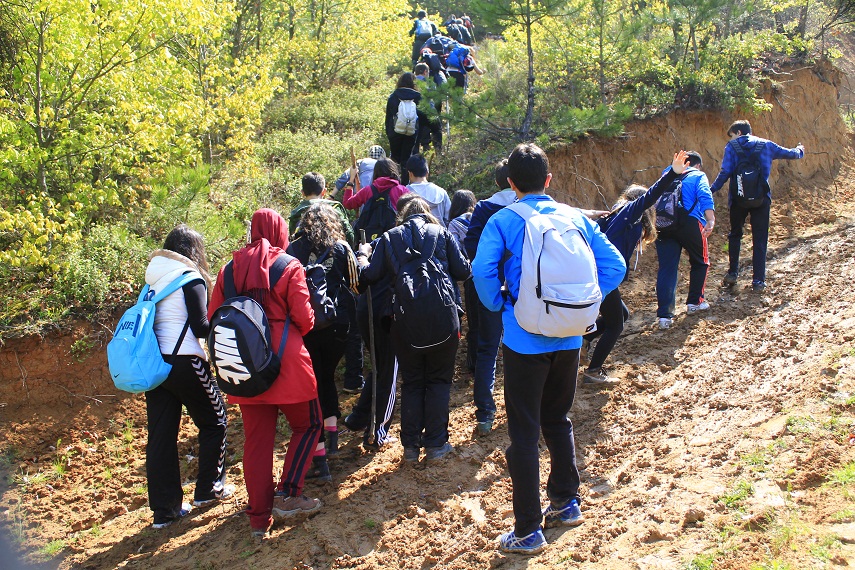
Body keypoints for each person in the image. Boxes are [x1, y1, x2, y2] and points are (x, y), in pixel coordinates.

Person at [472, 143, 625, 555]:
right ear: (549, 180)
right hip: (571, 334)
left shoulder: (504, 220)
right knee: (557, 419)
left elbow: (481, 270)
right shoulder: (575, 217)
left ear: (510, 183)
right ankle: (566, 503)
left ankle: (527, 529)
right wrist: (586, 302)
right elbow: (615, 266)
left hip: (524, 337)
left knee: (523, 431)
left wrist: (500, 305)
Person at [208, 208, 322, 540]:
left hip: (244, 363)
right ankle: (289, 494)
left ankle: (258, 520)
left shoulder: (227, 270)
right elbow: (305, 319)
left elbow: (214, 315)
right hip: (286, 363)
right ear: (280, 232)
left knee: (257, 443)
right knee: (309, 424)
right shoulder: (288, 266)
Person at [356, 196, 470, 462]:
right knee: (440, 381)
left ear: (403, 216)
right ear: (428, 214)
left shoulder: (388, 237)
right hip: (444, 320)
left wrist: (362, 255)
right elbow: (463, 271)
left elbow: (368, 277)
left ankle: (409, 448)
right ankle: (436, 445)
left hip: (405, 322)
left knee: (413, 382)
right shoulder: (441, 233)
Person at [144, 224, 231, 529]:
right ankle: (208, 489)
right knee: (216, 419)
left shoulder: (152, 282)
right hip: (184, 360)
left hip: (157, 366)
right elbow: (200, 328)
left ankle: (164, 512)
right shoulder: (189, 278)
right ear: (194, 252)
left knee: (161, 438)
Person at [582, 151, 691, 383]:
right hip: (603, 276)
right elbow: (652, 195)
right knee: (616, 324)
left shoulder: (615, 215)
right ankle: (593, 371)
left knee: (623, 313)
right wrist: (673, 173)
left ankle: (585, 339)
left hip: (596, 274)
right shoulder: (629, 214)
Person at [288, 203, 360, 481]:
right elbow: (355, 284)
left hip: (306, 327)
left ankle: (319, 461)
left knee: (312, 389)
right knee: (327, 379)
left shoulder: (293, 250)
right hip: (338, 325)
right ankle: (331, 441)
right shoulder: (342, 247)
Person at [343, 192, 421, 450]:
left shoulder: (382, 242)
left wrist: (362, 255)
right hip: (385, 315)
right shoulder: (404, 243)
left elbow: (362, 278)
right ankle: (378, 431)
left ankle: (358, 417)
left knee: (378, 367)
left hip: (365, 310)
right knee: (389, 371)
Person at [709, 119, 805, 292]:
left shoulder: (731, 147)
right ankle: (758, 281)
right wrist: (800, 150)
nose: (731, 140)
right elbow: (790, 154)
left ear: (738, 132)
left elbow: (725, 173)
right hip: (761, 199)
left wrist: (711, 190)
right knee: (760, 239)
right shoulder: (766, 145)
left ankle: (733, 273)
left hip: (738, 199)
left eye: (731, 136)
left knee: (735, 234)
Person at [463, 159, 515, 435]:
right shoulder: (527, 207)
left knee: (487, 348)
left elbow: (471, 246)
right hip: (524, 286)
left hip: (488, 284)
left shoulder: (484, 207)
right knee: (523, 346)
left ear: (498, 181)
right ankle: (522, 407)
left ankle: (485, 414)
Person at [655, 151, 716, 330]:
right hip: (689, 222)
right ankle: (694, 303)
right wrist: (710, 219)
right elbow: (705, 194)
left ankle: (664, 317)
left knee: (667, 268)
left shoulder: (666, 173)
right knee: (700, 261)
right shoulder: (698, 175)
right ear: (696, 165)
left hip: (663, 224)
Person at [446, 190, 478, 372]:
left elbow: (455, 252)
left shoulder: (454, 224)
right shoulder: (482, 217)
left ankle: (473, 364)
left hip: (471, 277)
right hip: (490, 274)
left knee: (473, 322)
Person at [288, 172, 354, 244]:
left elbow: (292, 238)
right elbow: (349, 234)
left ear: (303, 192)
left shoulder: (296, 213)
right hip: (334, 251)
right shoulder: (335, 208)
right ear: (324, 192)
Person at [385, 73, 424, 184]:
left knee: (395, 159)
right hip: (411, 133)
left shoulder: (393, 96)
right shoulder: (418, 97)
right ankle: (406, 185)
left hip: (395, 132)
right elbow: (424, 117)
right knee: (407, 159)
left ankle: (394, 183)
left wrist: (390, 134)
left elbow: (388, 119)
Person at [405, 154, 451, 226]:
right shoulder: (441, 192)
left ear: (410, 174)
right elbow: (449, 218)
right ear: (427, 173)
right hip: (440, 235)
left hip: (415, 235)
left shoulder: (406, 192)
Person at [414, 62, 444, 154]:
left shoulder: (412, 82)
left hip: (416, 111)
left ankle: (418, 152)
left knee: (417, 134)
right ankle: (438, 152)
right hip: (429, 110)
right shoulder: (429, 82)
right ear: (425, 72)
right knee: (437, 130)